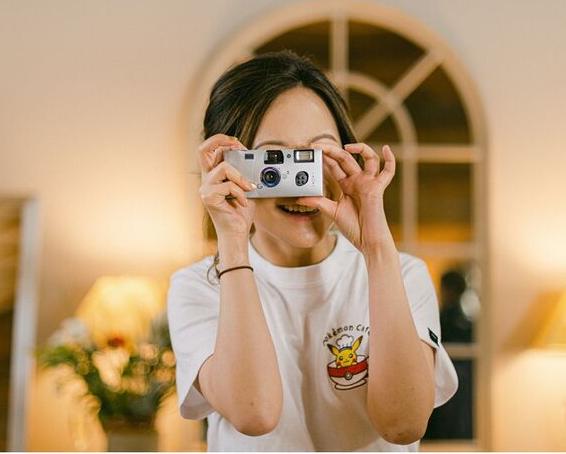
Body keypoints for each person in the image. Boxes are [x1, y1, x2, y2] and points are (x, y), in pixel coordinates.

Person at [166, 51, 458, 451]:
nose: (303, 186)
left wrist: (376, 249)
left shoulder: (403, 273)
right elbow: (254, 413)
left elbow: (403, 424)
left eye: (319, 155)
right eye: (274, 161)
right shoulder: (199, 286)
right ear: (228, 167)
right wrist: (232, 242)